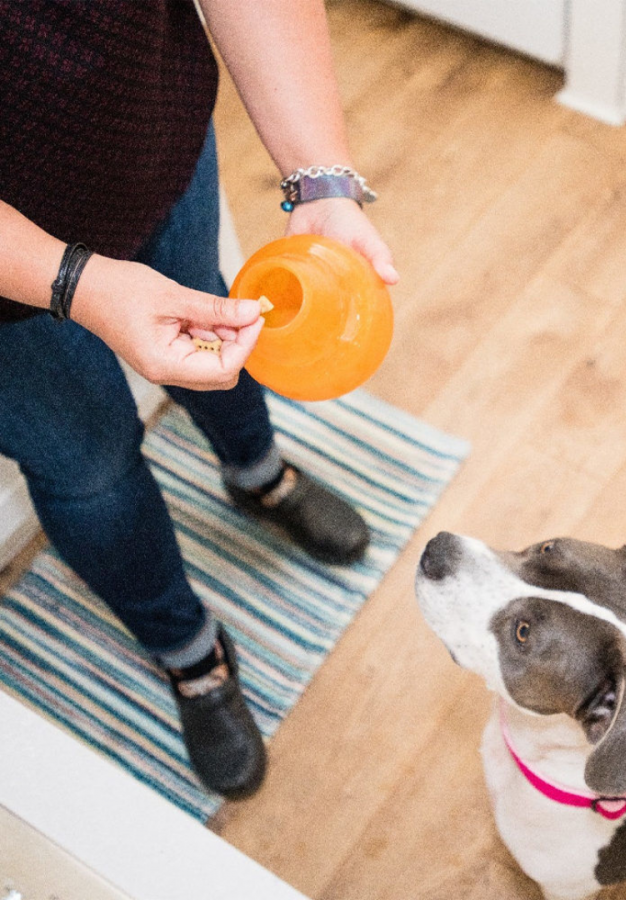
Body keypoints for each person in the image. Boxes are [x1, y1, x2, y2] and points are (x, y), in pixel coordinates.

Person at [0, 0, 398, 799]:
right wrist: (78, 282)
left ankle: (259, 474)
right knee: (89, 465)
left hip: (150, 135)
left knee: (224, 317)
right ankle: (190, 654)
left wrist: (322, 177)